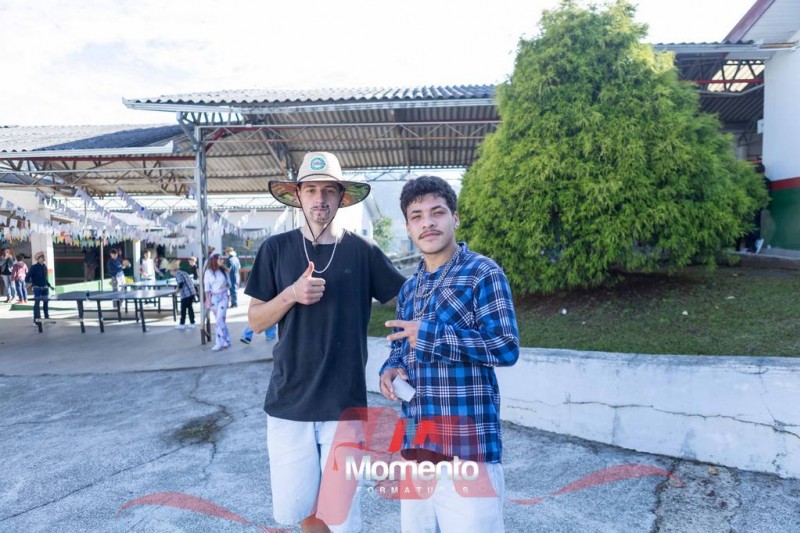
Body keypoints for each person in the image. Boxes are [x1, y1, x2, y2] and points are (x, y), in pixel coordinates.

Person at [245, 151, 405, 532]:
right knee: (304, 509)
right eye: (311, 190)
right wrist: (291, 294)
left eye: (329, 190)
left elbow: (409, 297)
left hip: (344, 405)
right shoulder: (275, 249)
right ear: (298, 195)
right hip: (289, 402)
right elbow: (255, 319)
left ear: (341, 197)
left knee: (342, 515)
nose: (320, 198)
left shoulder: (363, 251)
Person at [379, 175, 519, 533]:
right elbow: (400, 350)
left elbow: (505, 346)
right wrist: (390, 371)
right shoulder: (410, 288)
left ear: (454, 218)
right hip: (417, 447)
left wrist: (431, 336)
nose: (427, 222)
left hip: (468, 449)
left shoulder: (482, 273)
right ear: (408, 228)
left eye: (437, 212)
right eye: (417, 216)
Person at [204, 253, 231, 351]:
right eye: (220, 259)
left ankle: (219, 342)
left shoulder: (224, 271)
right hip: (213, 298)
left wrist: (224, 286)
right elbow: (207, 287)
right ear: (214, 261)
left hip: (223, 296)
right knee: (220, 320)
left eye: (222, 259)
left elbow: (229, 285)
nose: (222, 260)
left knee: (219, 319)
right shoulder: (208, 272)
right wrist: (207, 299)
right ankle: (226, 339)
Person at [25, 252, 54, 326]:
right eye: (42, 257)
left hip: (45, 288)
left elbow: (45, 278)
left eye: (44, 257)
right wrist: (27, 282)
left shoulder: (44, 267)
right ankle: (36, 320)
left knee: (46, 303)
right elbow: (28, 276)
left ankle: (46, 318)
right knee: (37, 304)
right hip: (37, 288)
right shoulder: (34, 267)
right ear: (38, 259)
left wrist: (49, 286)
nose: (44, 259)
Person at [168, 260, 197, 330]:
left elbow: (181, 284)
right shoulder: (183, 272)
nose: (170, 272)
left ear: (173, 270)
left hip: (186, 294)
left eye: (170, 271)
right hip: (192, 292)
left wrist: (176, 291)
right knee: (190, 307)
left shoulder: (177, 274)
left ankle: (182, 324)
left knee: (183, 309)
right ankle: (192, 323)